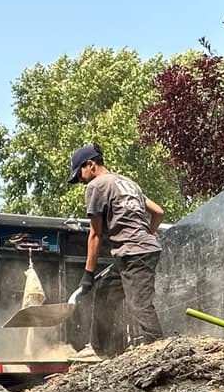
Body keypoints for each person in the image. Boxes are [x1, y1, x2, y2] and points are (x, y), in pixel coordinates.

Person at [68, 144, 165, 347]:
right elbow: (158, 212)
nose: (79, 181)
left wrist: (88, 274)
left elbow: (95, 234)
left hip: (135, 253)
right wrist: (148, 234)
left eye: (79, 175)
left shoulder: (96, 186)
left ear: (90, 165)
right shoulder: (127, 183)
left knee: (140, 305)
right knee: (106, 293)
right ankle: (100, 350)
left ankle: (160, 350)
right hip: (135, 251)